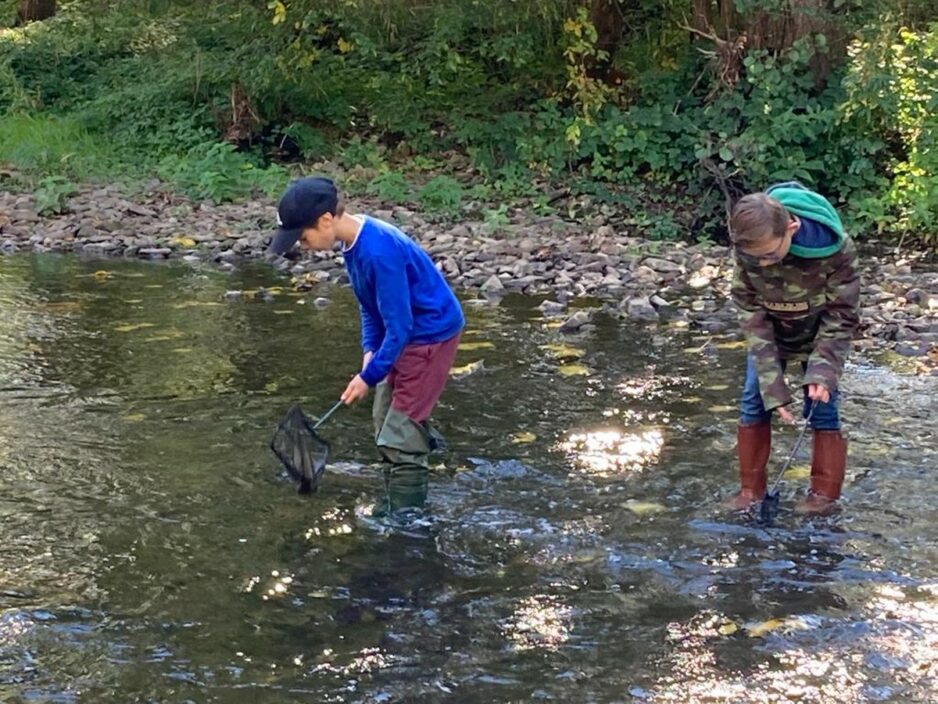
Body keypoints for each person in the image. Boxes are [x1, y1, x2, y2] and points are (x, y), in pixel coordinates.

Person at [268, 177, 465, 515]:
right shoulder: (352, 242)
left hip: (429, 336)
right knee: (383, 420)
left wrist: (369, 377)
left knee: (398, 435)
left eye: (303, 237)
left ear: (326, 220)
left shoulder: (377, 252)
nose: (302, 245)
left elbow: (401, 326)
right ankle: (420, 456)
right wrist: (369, 351)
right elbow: (368, 304)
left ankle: (407, 521)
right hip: (405, 334)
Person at [726, 181, 860, 515]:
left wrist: (822, 372)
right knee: (754, 402)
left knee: (824, 407)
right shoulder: (749, 250)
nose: (766, 264)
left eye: (771, 255)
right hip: (770, 333)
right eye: (758, 259)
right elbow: (751, 317)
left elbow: (842, 316)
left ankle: (823, 496)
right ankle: (750, 491)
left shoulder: (837, 249)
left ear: (793, 228)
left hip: (820, 338)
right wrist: (775, 388)